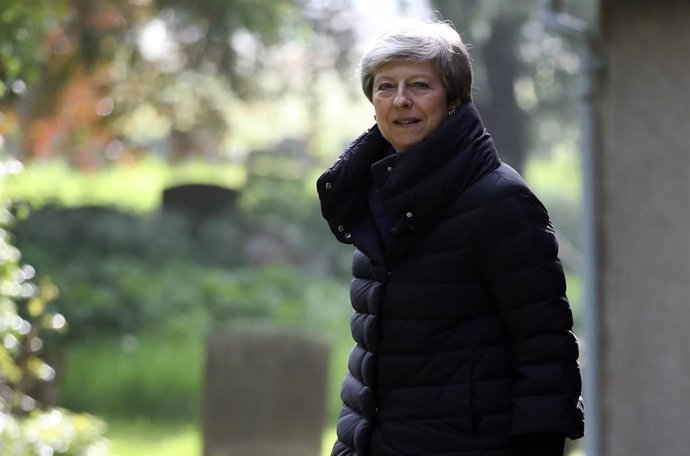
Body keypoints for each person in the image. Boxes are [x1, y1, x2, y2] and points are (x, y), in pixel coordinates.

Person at [316, 18, 585, 456]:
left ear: (454, 98)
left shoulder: (500, 202)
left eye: (419, 85)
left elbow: (545, 355)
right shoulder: (373, 196)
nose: (401, 101)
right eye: (385, 87)